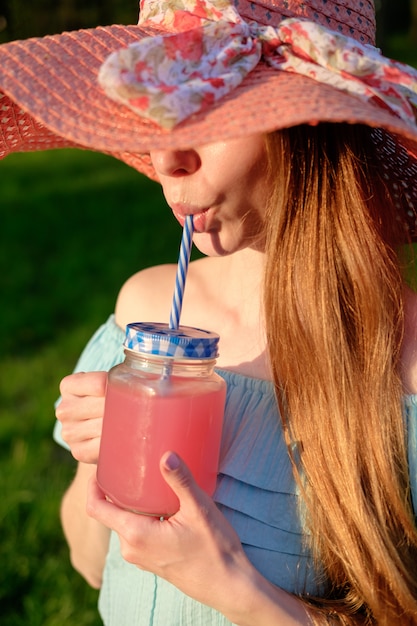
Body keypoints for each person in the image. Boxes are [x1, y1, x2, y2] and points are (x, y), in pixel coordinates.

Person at [1, 0, 417, 624]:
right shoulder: (141, 308)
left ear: (308, 125)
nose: (169, 158)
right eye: (163, 109)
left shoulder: (403, 365)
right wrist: (101, 462)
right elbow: (91, 562)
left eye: (215, 109)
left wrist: (231, 588)